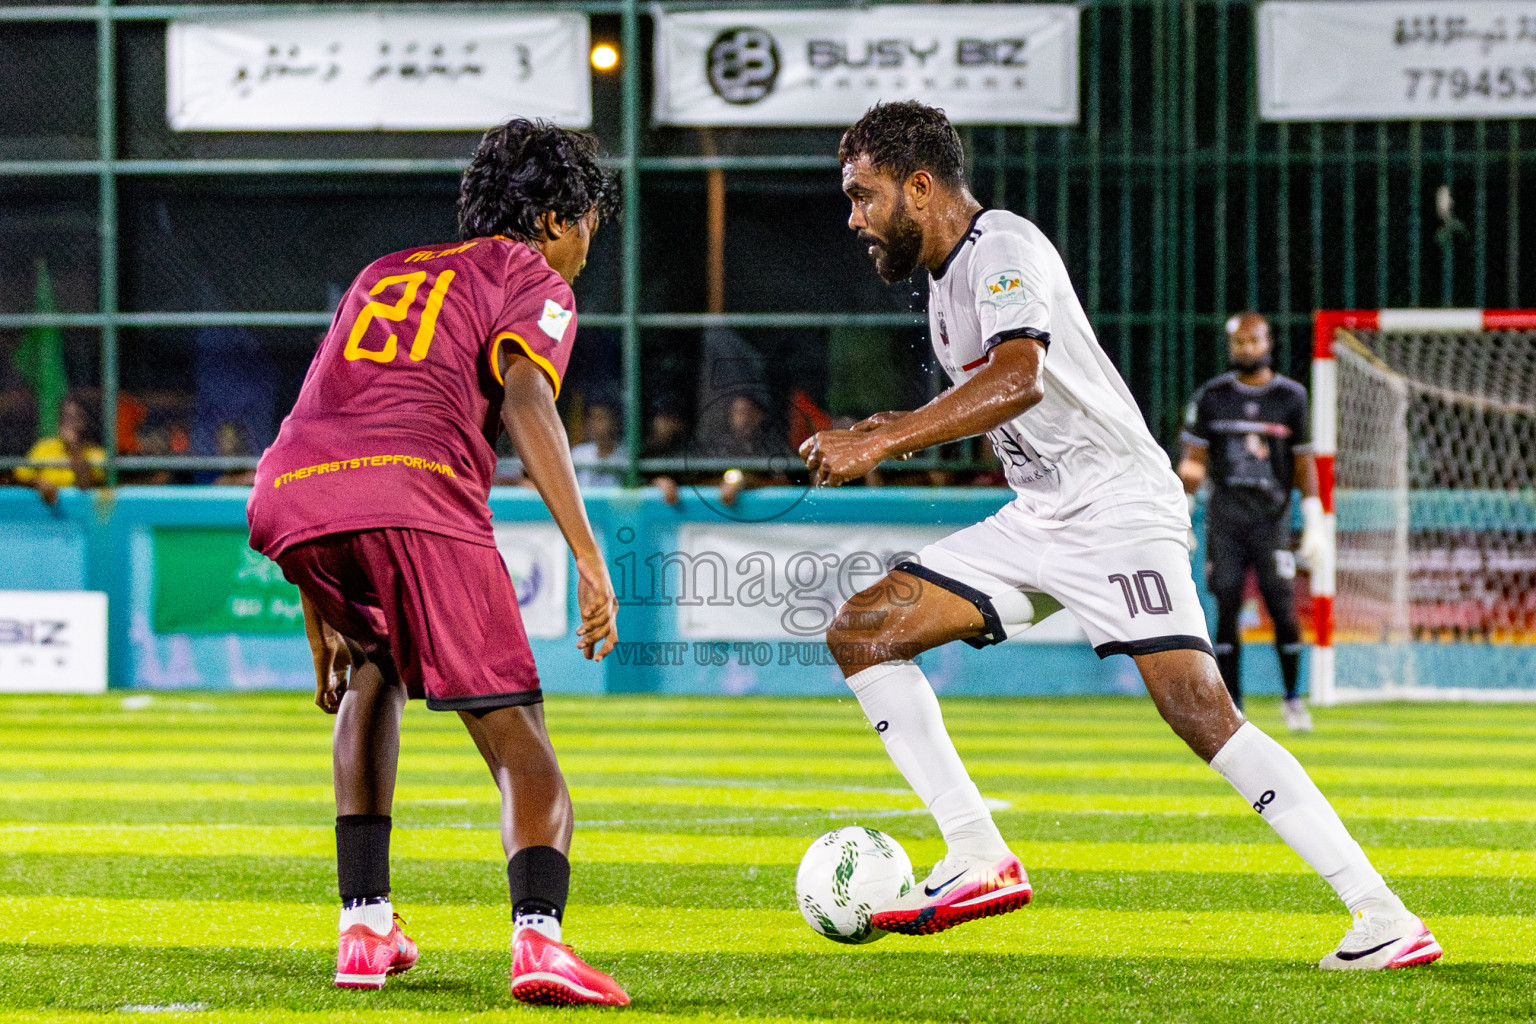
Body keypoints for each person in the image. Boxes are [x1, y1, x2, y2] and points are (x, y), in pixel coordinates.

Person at [798, 101, 1440, 971]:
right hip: (1042, 512)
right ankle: (979, 855)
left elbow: (1019, 377)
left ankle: (1383, 916)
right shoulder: (947, 279)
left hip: (1117, 509)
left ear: (920, 186)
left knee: (1198, 711)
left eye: (863, 195)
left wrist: (882, 438)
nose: (853, 218)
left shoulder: (1003, 248)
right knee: (864, 631)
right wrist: (890, 421)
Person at [246, 118, 630, 1007]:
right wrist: (586, 552)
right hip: (413, 495)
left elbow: (320, 417)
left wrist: (323, 607)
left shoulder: (384, 272)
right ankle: (539, 942)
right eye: (585, 228)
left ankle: (365, 929)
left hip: (289, 496)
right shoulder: (526, 275)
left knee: (377, 668)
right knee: (519, 739)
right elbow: (529, 396)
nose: (582, 251)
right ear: (550, 219)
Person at [1178, 313, 1326, 730]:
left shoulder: (1291, 397)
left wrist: (1314, 520)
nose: (1246, 349)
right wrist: (1182, 517)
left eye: (1253, 341)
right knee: (1225, 607)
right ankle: (1233, 706)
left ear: (1268, 342)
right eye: (1239, 342)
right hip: (1225, 520)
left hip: (1272, 520)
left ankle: (1294, 700)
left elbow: (1303, 462)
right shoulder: (1212, 396)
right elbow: (1193, 462)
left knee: (1282, 607)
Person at [13, 395, 105, 505]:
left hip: (79, 512)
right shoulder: (44, 447)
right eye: (65, 417)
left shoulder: (97, 454)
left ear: (86, 421)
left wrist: (74, 447)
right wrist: (38, 483)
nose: (69, 422)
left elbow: (85, 487)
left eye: (76, 418)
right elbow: (19, 477)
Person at [568, 399, 624, 488]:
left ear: (613, 421)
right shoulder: (578, 453)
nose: (594, 424)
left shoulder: (625, 457)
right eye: (592, 418)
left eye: (600, 418)